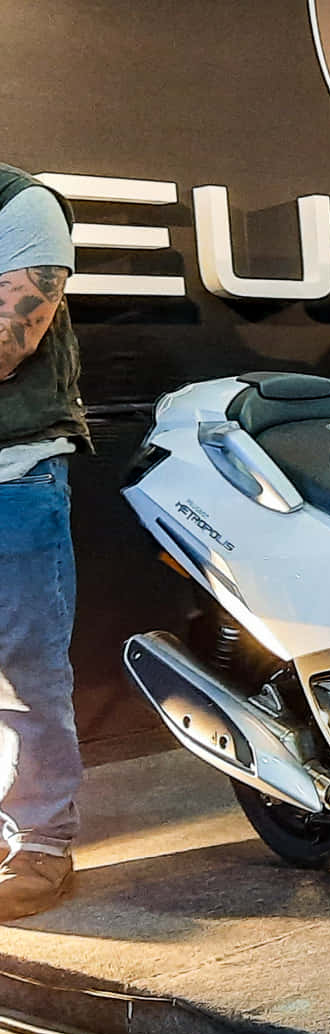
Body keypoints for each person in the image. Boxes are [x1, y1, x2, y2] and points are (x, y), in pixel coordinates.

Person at [0, 163, 85, 920]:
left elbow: (7, 342)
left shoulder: (21, 205)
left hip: (12, 479)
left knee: (26, 676)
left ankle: (42, 842)